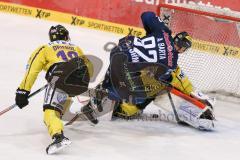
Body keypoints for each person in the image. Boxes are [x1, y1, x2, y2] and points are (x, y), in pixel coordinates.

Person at [92, 11, 215, 130]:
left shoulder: (164, 32)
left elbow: (147, 15)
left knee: (130, 72)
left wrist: (153, 31)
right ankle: (123, 108)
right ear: (182, 48)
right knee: (156, 88)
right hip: (128, 69)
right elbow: (166, 78)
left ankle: (105, 88)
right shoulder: (171, 62)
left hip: (118, 51)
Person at [15, 24, 96, 154]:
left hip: (60, 78)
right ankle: (88, 103)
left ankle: (58, 137)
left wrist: (23, 91)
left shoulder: (44, 48)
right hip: (81, 80)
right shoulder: (76, 47)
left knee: (50, 111)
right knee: (63, 97)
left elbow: (32, 71)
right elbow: (90, 68)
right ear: (66, 36)